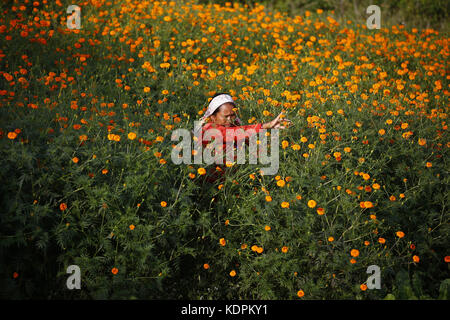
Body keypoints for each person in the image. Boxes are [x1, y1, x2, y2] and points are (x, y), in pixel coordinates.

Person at [194, 92, 292, 184]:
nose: (230, 119)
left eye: (232, 115)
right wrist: (266, 125)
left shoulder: (234, 125)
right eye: (226, 116)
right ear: (213, 117)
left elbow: (248, 142)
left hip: (235, 176)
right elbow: (231, 134)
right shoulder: (208, 129)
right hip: (213, 181)